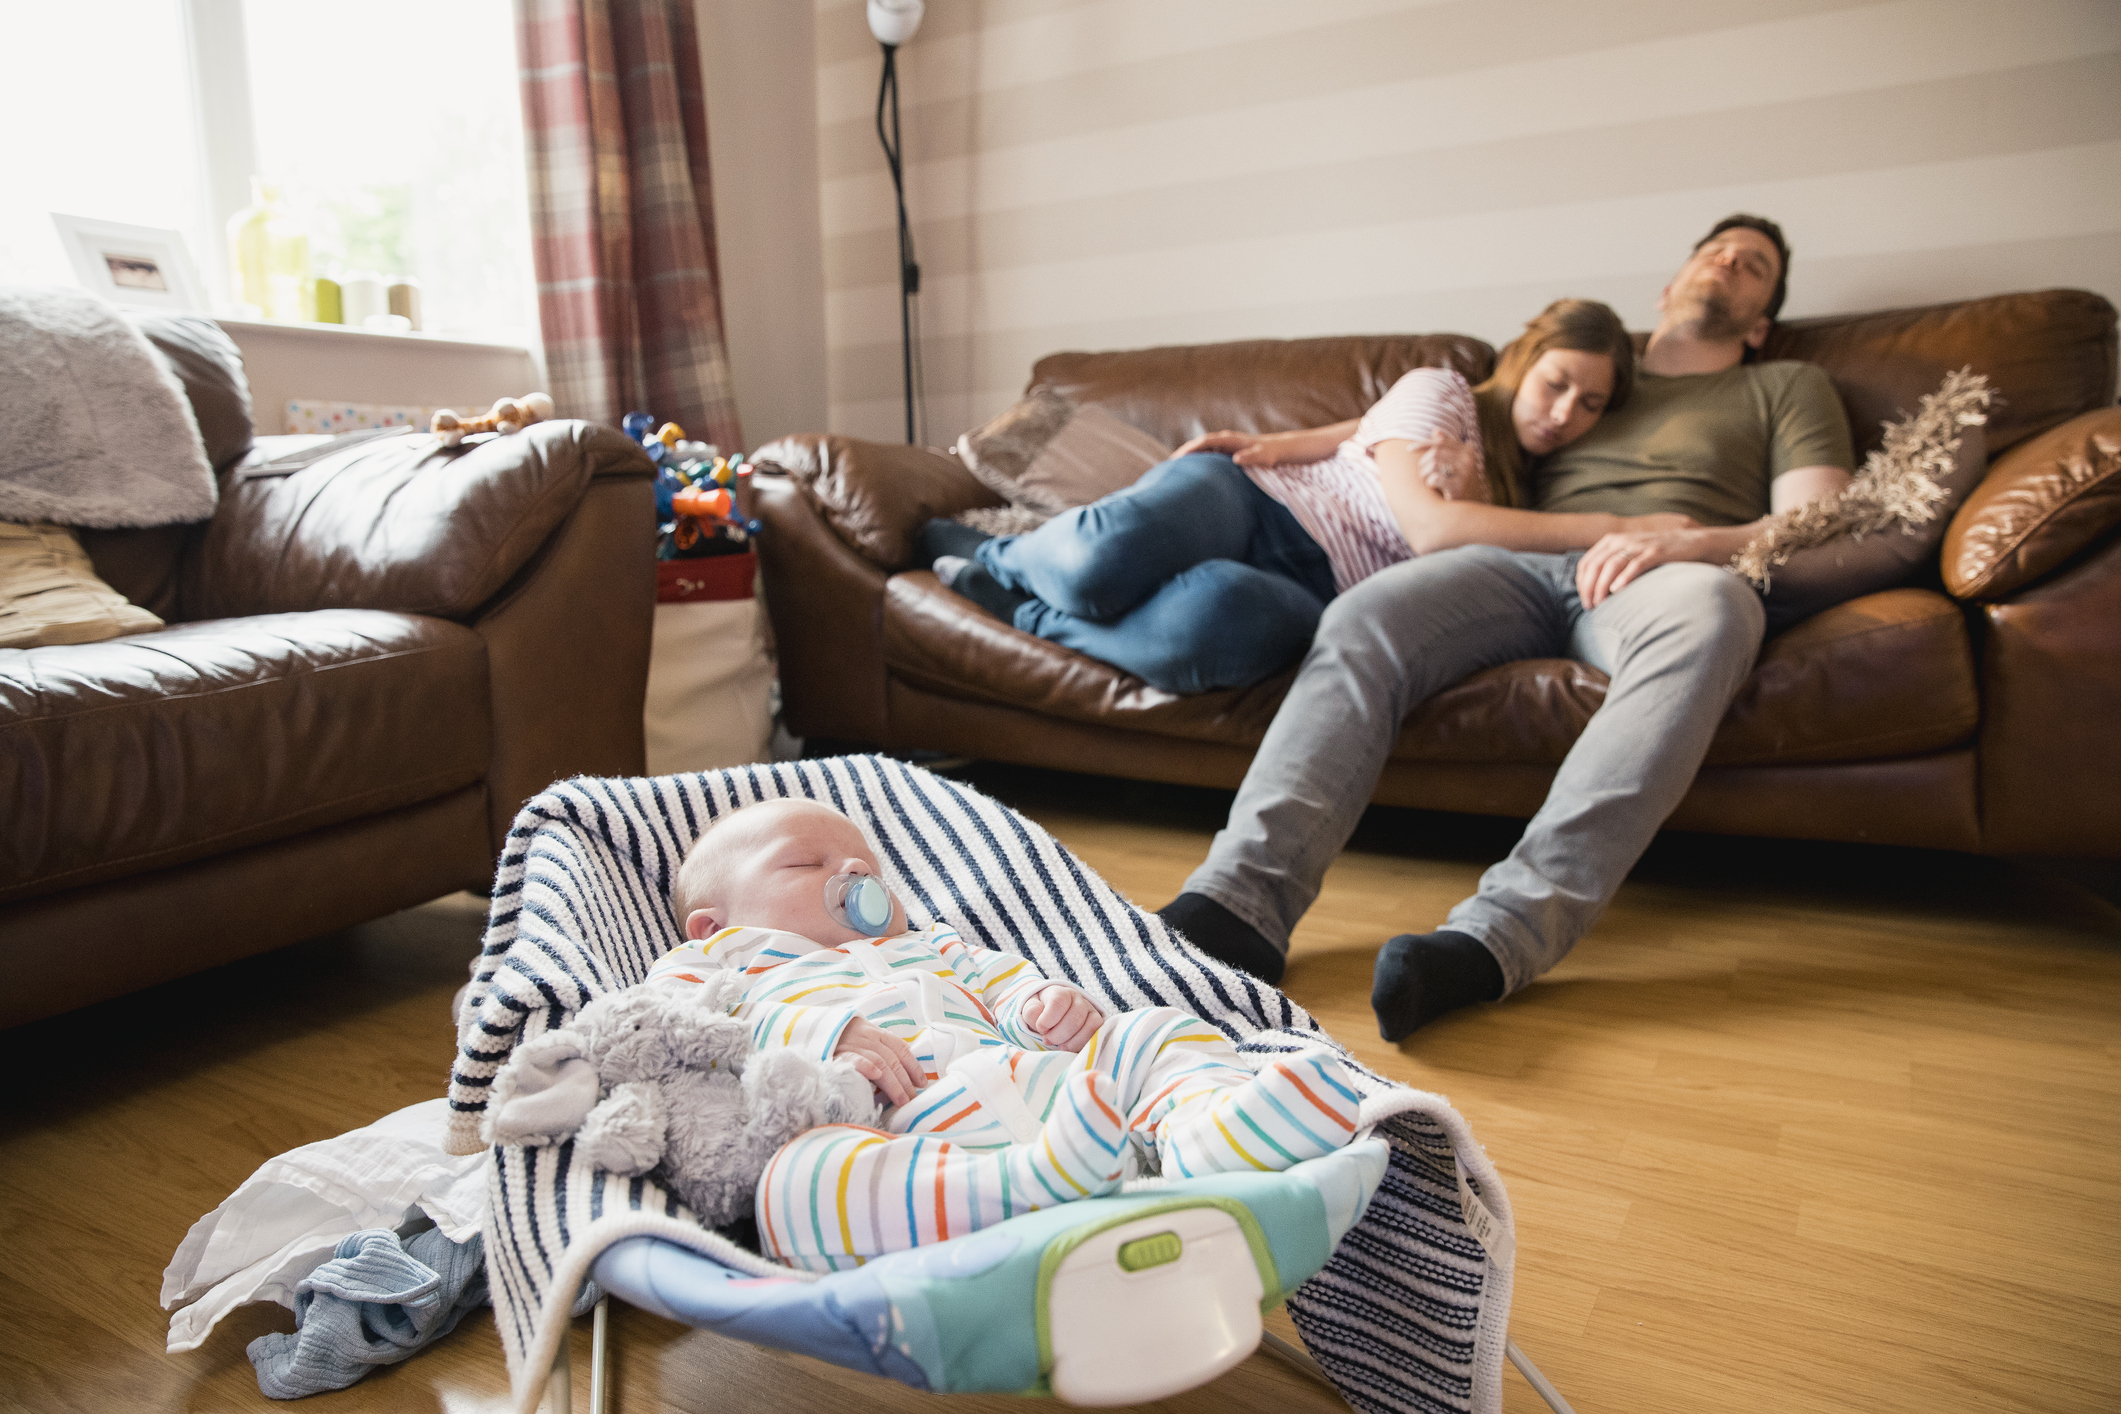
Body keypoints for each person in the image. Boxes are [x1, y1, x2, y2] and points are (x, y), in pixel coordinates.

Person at [1158, 215, 1856, 1042]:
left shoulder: (1785, 385)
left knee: (1714, 611)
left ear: (1760, 321)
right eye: (1714, 251)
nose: (1729, 262)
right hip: (1517, 563)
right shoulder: (1598, 378)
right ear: (1668, 288)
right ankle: (1239, 902)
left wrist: (1687, 542)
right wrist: (1295, 442)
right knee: (1368, 614)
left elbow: (1818, 520)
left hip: (1661, 573)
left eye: (1753, 267)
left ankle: (1497, 939)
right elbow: (1428, 410)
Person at [650, 797, 1362, 1272]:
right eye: (806, 864)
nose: (854, 871)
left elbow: (1006, 984)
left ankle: (1207, 1134)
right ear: (716, 925)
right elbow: (681, 1033)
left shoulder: (935, 946)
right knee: (792, 1184)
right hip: (904, 1133)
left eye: (867, 865)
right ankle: (1025, 1187)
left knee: (1151, 1032)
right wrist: (823, 1030)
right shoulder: (718, 964)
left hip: (1064, 1101)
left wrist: (1043, 1006)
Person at [921, 299, 1695, 694]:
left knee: (1217, 627)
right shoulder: (1442, 391)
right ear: (1524, 357)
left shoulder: (1519, 493)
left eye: (1590, 405)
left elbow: (1381, 458)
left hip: (1320, 589)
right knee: (1102, 558)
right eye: (1556, 383)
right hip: (1253, 500)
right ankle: (1001, 553)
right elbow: (1429, 530)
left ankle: (1020, 608)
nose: (1564, 414)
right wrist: (1628, 525)